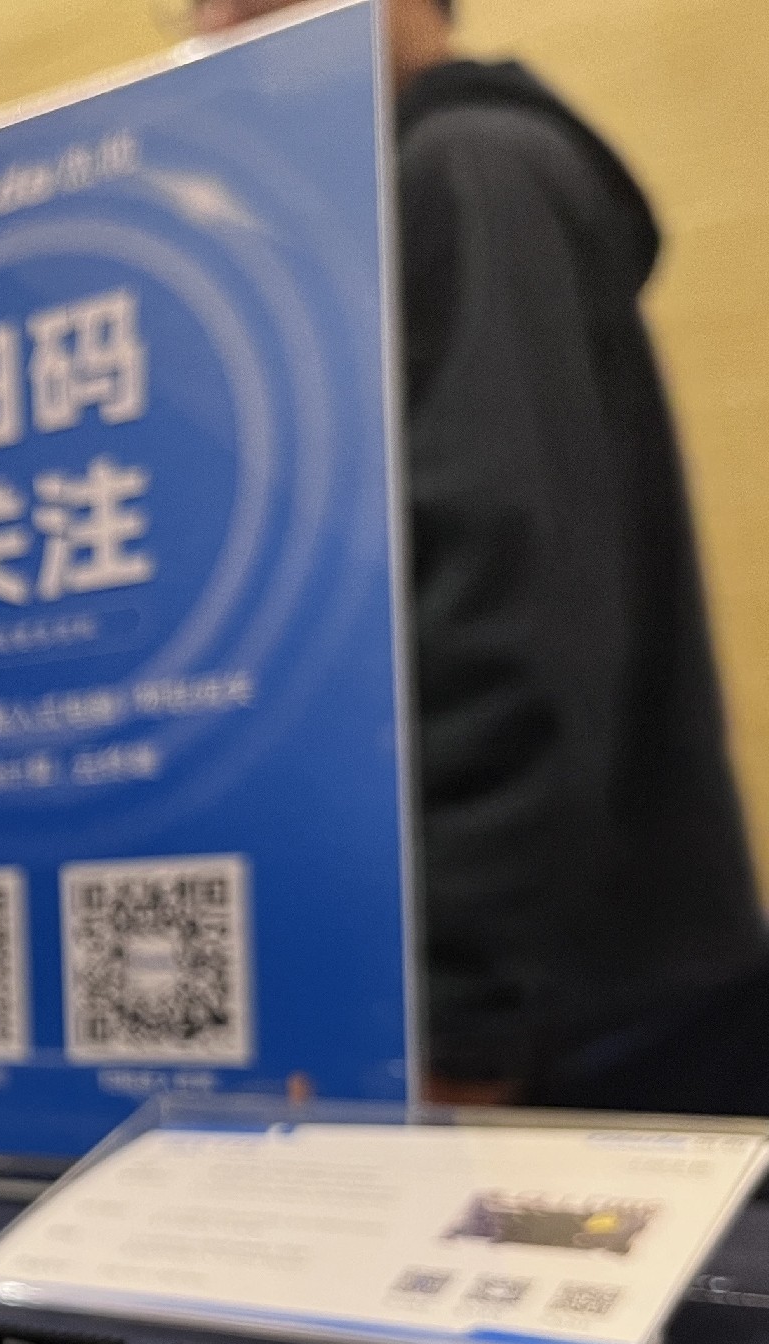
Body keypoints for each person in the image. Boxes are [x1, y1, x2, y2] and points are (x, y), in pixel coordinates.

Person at [193, 0, 769, 1113]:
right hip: (529, 992)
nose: (217, 24)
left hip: (545, 1022)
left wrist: (459, 1018)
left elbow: (508, 614)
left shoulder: (467, 167)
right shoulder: (388, 201)